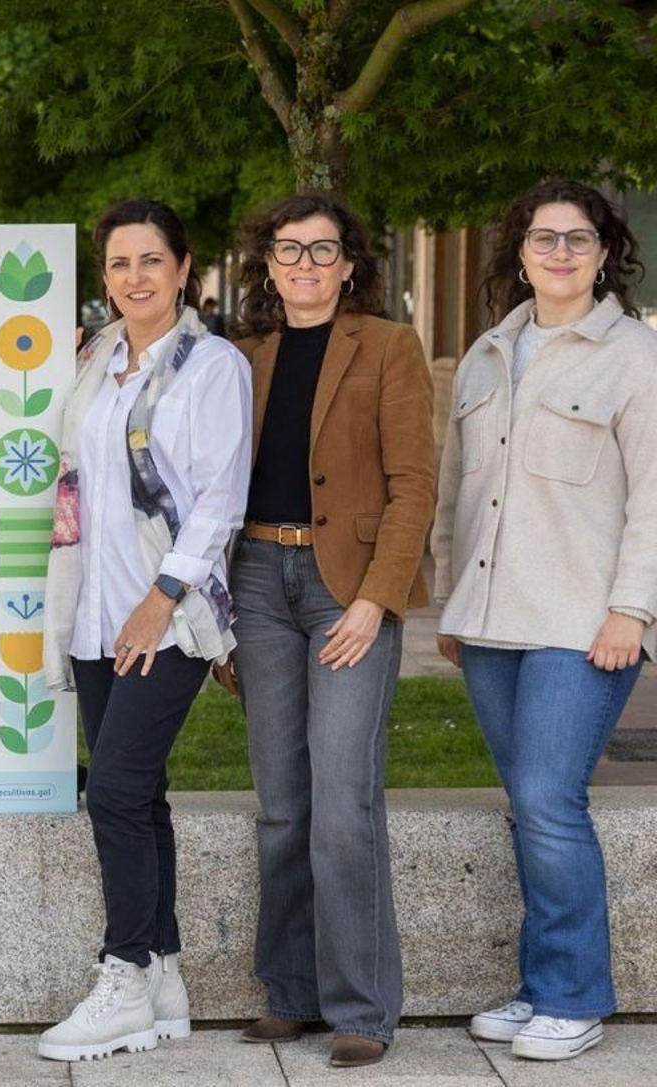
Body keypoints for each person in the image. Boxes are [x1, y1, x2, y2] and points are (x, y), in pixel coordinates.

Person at [433, 179, 657, 1063]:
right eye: (543, 238)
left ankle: (573, 995)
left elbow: (654, 499)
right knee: (530, 807)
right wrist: (452, 599)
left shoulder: (634, 356)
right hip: (492, 621)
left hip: (581, 619)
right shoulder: (490, 351)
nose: (559, 252)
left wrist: (630, 608)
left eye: (578, 238)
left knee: (547, 798)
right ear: (518, 252)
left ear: (606, 253)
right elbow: (461, 492)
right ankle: (540, 987)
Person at [215, 193, 435, 1068]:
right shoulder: (241, 359)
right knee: (282, 804)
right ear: (267, 264)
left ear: (350, 264)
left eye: (323, 250)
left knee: (343, 803)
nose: (304, 265)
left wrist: (377, 599)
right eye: (288, 250)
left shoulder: (388, 347)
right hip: (260, 582)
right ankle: (292, 992)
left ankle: (362, 1007)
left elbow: (413, 483)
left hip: (347, 587)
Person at [38, 198, 251, 1062]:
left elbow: (220, 499)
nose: (136, 277)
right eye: (121, 263)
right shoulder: (95, 357)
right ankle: (163, 976)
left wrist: (161, 598)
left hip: (168, 618)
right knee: (141, 793)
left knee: (116, 791)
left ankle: (122, 971)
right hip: (94, 610)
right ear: (105, 276)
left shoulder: (212, 365)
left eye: (152, 261)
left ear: (183, 267)